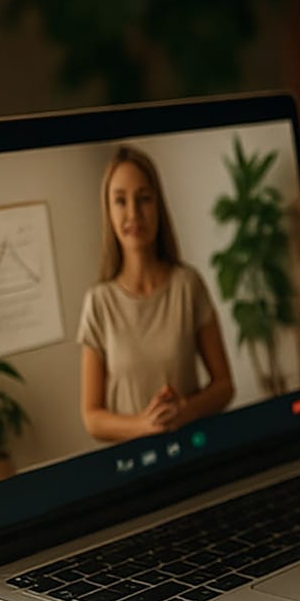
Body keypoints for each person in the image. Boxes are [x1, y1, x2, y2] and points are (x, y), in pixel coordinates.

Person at [79, 146, 234, 443]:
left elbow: (224, 386)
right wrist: (145, 424)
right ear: (108, 212)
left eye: (144, 198)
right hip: (132, 466)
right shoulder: (98, 303)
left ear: (158, 206)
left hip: (191, 449)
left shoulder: (188, 285)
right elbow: (92, 418)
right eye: (120, 201)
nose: (133, 213)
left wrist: (185, 410)